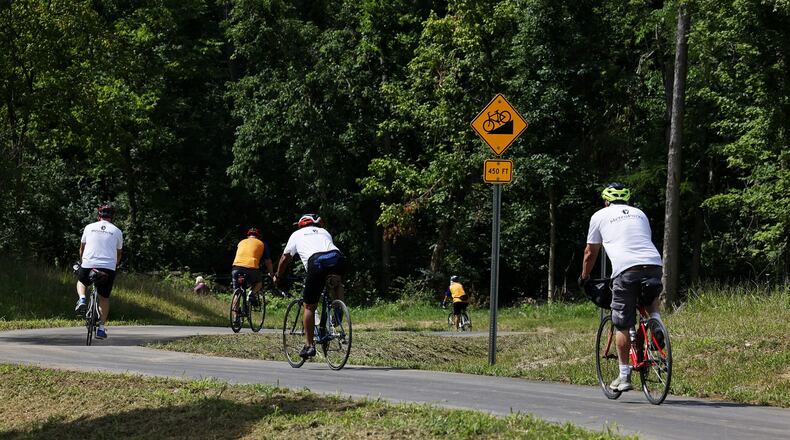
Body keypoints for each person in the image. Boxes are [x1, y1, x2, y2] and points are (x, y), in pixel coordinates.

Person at [579, 182, 663, 392]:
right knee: (650, 299)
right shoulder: (640, 213)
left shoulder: (599, 215)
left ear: (606, 201)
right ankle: (656, 323)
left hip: (626, 270)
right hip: (653, 263)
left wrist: (585, 276)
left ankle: (624, 376)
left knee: (622, 323)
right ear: (626, 200)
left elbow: (591, 252)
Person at [273, 214, 345, 359]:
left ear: (301, 224)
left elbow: (285, 258)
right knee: (336, 283)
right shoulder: (325, 232)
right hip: (337, 258)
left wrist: (278, 276)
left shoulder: (296, 234)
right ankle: (339, 311)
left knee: (309, 306)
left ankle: (309, 345)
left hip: (316, 262)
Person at [74, 204, 123, 340]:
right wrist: (115, 265)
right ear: (112, 217)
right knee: (104, 298)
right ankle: (101, 328)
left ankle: (82, 298)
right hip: (108, 267)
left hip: (89, 263)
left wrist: (83, 261)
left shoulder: (89, 227)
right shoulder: (117, 231)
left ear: (98, 216)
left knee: (82, 281)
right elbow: (119, 253)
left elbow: (82, 248)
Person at [230, 227, 273, 326]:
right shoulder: (262, 243)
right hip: (251, 268)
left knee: (237, 293)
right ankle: (251, 294)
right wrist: (271, 274)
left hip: (236, 268)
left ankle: (235, 318)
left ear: (248, 236)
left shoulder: (241, 242)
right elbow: (268, 261)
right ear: (259, 236)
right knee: (259, 282)